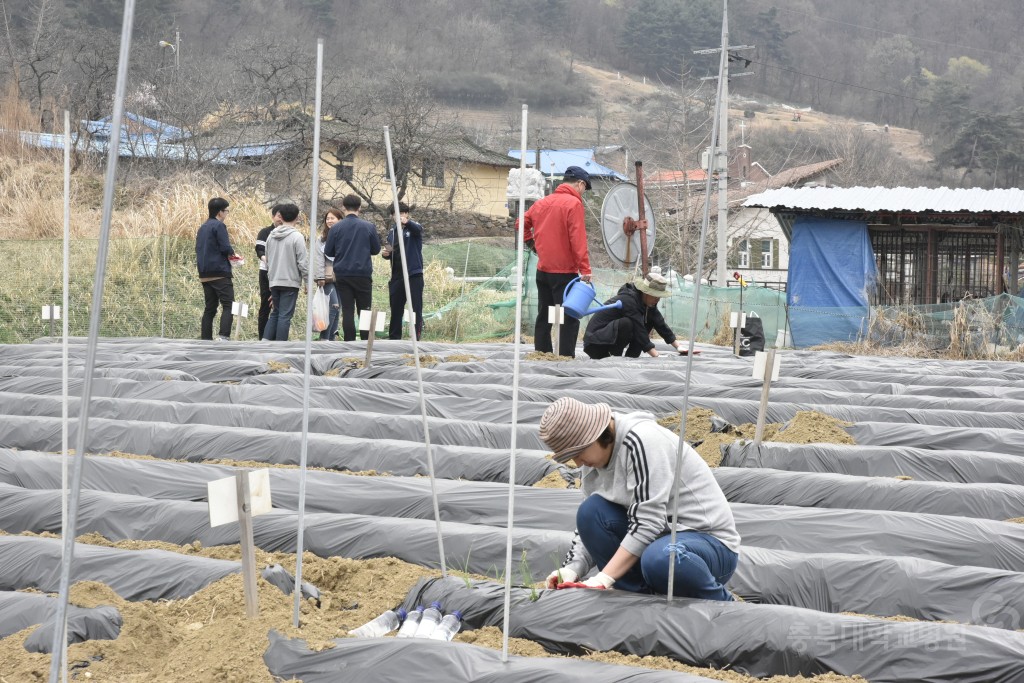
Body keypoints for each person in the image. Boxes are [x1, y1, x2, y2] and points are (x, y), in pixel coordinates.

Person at [537, 397, 740, 600]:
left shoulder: (642, 440)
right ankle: (638, 600)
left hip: (708, 545)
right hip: (659, 541)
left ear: (595, 436)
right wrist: (572, 569)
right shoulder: (593, 463)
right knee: (591, 512)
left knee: (661, 558)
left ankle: (725, 605)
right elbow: (587, 527)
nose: (578, 462)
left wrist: (604, 577)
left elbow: (648, 522)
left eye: (578, 453)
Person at [518, 165, 593, 358]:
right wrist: (585, 269)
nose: (583, 192)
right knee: (567, 316)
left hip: (543, 272)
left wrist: (530, 243)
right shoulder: (573, 204)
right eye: (584, 188)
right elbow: (577, 239)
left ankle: (542, 353)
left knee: (547, 314)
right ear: (580, 184)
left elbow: (520, 224)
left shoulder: (543, 202)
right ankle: (564, 356)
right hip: (565, 274)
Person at [583, 272, 685, 359]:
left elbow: (659, 322)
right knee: (628, 324)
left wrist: (678, 347)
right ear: (645, 292)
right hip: (595, 343)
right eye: (655, 296)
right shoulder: (629, 300)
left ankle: (631, 358)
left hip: (606, 339)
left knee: (649, 320)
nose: (657, 300)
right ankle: (614, 358)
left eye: (659, 297)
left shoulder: (647, 303)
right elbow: (639, 329)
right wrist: (656, 356)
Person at [324, 194, 381, 341]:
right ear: (360, 208)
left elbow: (329, 251)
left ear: (343, 207)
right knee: (365, 311)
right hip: (363, 273)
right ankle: (365, 343)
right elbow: (376, 250)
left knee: (348, 310)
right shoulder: (368, 227)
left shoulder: (335, 228)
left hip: (342, 273)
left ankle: (349, 342)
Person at [262, 203, 308, 341]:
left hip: (274, 280)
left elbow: (268, 260)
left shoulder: (271, 236)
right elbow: (303, 262)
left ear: (280, 216)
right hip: (290, 281)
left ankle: (265, 342)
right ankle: (281, 346)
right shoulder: (297, 237)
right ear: (297, 217)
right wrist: (307, 281)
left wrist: (271, 280)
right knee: (285, 315)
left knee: (275, 313)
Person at [381, 202, 424, 340]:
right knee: (396, 308)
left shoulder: (413, 227)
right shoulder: (392, 232)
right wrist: (386, 254)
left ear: (406, 213)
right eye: (394, 214)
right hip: (397, 275)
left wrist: (407, 222)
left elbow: (418, 229)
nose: (398, 216)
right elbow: (393, 251)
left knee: (415, 308)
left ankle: (415, 337)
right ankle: (394, 338)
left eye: (401, 213)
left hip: (413, 274)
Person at [195, 197, 236, 341]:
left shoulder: (202, 227)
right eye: (226, 211)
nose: (226, 214)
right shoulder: (219, 226)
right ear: (220, 212)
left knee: (210, 308)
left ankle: (205, 339)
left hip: (204, 273)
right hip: (219, 272)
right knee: (229, 304)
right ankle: (224, 337)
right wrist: (233, 254)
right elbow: (225, 247)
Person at [314, 208, 343, 341]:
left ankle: (331, 338)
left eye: (333, 218)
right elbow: (318, 258)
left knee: (337, 309)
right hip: (327, 278)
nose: (330, 221)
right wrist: (320, 276)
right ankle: (324, 338)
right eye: (328, 219)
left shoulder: (344, 236)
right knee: (333, 306)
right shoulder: (322, 239)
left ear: (340, 220)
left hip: (341, 277)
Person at [254, 205, 283, 340]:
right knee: (266, 304)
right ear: (273, 217)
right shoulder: (265, 232)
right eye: (278, 216)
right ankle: (262, 338)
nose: (280, 219)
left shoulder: (290, 233)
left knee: (280, 307)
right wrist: (267, 260)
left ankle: (277, 338)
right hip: (266, 272)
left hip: (283, 274)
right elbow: (259, 249)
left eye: (283, 216)